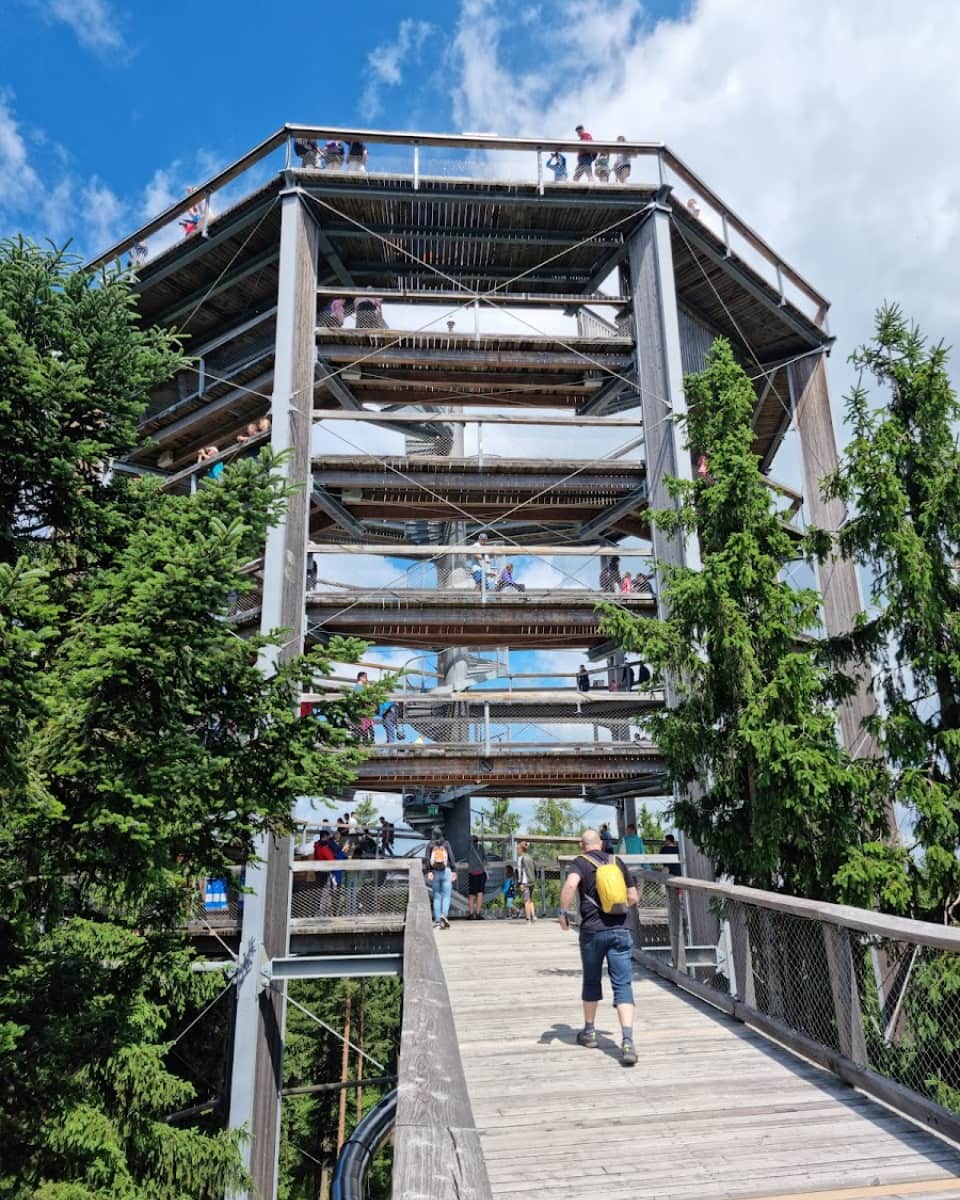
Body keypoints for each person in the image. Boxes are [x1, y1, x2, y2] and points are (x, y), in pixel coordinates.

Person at [558, 828, 640, 1066]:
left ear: (582, 845)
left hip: (593, 932)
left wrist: (563, 913)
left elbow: (571, 886)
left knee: (592, 980)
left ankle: (590, 1032)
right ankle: (627, 1040)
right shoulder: (618, 862)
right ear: (602, 843)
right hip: (621, 930)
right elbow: (633, 897)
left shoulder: (580, 863)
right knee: (622, 984)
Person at [425, 826, 456, 929]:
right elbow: (451, 857)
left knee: (437, 897)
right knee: (446, 896)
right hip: (446, 871)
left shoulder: (430, 844)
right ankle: (444, 915)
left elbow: (427, 858)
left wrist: (429, 871)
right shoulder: (446, 843)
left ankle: (438, 921)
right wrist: (454, 871)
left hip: (435, 872)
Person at [467, 835, 488, 919]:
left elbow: (468, 860)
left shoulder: (469, 850)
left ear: (471, 842)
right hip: (481, 873)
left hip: (472, 873)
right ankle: (478, 913)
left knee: (472, 894)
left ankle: (471, 914)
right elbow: (485, 861)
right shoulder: (481, 848)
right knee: (480, 893)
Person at [516, 841, 537, 922]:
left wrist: (520, 883)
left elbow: (520, 871)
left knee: (526, 900)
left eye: (518, 849)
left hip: (525, 882)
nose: (517, 851)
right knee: (531, 900)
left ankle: (527, 917)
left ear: (521, 849)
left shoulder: (521, 858)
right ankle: (533, 915)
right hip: (532, 881)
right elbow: (535, 869)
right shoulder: (530, 857)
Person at [354, 672, 374, 745]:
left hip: (366, 712)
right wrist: (368, 690)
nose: (367, 679)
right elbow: (361, 698)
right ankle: (365, 742)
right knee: (363, 728)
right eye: (365, 677)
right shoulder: (358, 687)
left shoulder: (362, 686)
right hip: (362, 711)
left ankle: (370, 741)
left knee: (368, 727)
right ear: (361, 678)